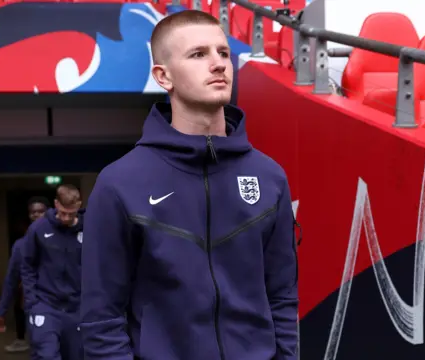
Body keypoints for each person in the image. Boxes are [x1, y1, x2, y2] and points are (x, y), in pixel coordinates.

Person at [80, 10, 299, 360]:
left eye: (223, 53)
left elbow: (283, 296)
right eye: (199, 54)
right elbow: (101, 318)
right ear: (163, 76)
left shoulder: (269, 176)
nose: (218, 65)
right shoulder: (119, 183)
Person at [19, 185, 85, 360]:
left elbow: (98, 267)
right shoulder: (39, 229)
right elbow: (27, 266)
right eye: (63, 212)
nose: (66, 218)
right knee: (46, 355)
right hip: (46, 305)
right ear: (56, 204)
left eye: (71, 214)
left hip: (76, 308)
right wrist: (32, 302)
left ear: (79, 205)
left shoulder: (89, 230)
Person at [0, 196, 49, 353]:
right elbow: (11, 279)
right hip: (35, 305)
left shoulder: (62, 237)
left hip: (63, 304)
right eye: (33, 212)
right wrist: (2, 310)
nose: (36, 215)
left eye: (41, 211)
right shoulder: (21, 245)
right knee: (42, 349)